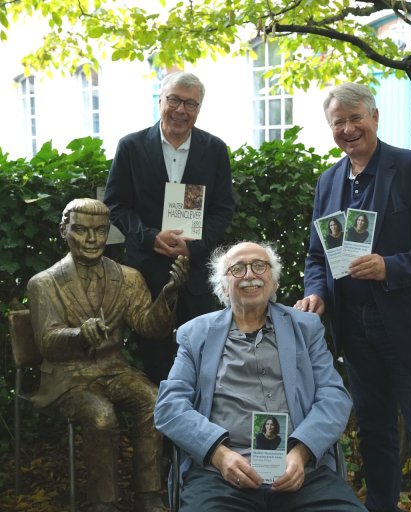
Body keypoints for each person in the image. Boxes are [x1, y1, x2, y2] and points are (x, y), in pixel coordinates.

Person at [295, 83, 411, 512]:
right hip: (353, 329)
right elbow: (317, 255)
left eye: (356, 119)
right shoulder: (328, 181)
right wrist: (316, 293)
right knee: (373, 432)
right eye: (339, 122)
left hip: (409, 327)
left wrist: (391, 266)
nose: (349, 129)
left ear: (375, 117)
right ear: (330, 127)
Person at [154, 241, 366, 512]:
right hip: (220, 477)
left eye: (259, 266)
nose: (250, 274)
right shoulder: (196, 334)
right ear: (222, 285)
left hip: (302, 473)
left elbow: (334, 397)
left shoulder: (306, 328)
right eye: (238, 269)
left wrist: (302, 453)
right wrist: (219, 455)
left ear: (273, 281)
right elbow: (169, 407)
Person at [27, 198, 189, 512]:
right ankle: (103, 502)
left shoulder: (127, 278)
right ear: (64, 230)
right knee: (101, 416)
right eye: (81, 230)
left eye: (100, 231)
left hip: (115, 369)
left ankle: (149, 495)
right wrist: (78, 334)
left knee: (155, 401)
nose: (92, 239)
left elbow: (149, 327)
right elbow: (47, 342)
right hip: (68, 376)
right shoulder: (44, 284)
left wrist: (168, 294)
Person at [103, 71, 235, 386]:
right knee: (155, 363)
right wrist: (149, 237)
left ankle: (198, 433)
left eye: (191, 103)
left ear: (199, 109)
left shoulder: (214, 149)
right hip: (146, 275)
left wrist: (194, 246)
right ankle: (159, 433)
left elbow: (224, 209)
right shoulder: (131, 147)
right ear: (160, 100)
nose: (181, 110)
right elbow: (116, 204)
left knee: (202, 358)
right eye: (174, 99)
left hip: (197, 274)